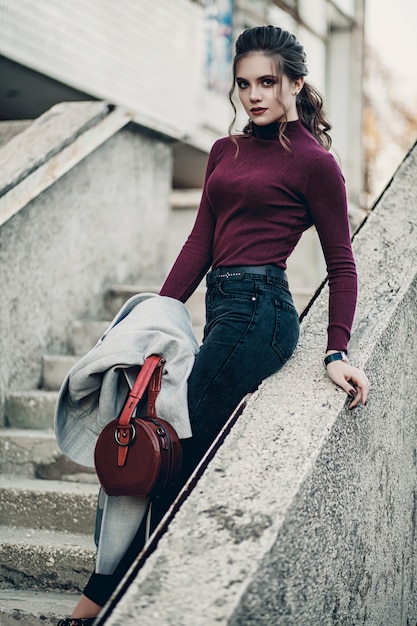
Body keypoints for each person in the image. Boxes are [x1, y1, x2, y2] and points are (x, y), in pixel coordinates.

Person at [58, 24, 370, 625]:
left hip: (262, 315)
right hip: (219, 313)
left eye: (268, 82)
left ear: (296, 83)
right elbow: (199, 243)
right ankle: (125, 591)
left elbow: (342, 263)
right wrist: (153, 316)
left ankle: (107, 601)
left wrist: (336, 353)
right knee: (157, 437)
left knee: (174, 448)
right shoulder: (224, 152)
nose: (254, 95)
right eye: (245, 83)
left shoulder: (314, 162)